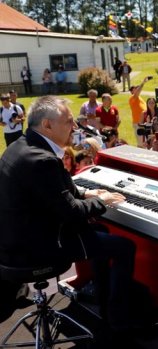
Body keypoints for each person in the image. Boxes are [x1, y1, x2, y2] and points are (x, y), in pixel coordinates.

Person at [0, 95, 137, 331]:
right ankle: (118, 321)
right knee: (125, 247)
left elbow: (52, 193)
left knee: (101, 230)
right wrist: (102, 200)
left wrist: (84, 194)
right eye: (69, 122)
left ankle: (102, 301)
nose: (74, 127)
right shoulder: (41, 160)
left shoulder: (19, 147)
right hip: (37, 249)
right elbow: (71, 213)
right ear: (47, 125)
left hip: (14, 243)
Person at [129, 77, 150, 145]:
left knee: (146, 141)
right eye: (135, 88)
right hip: (138, 123)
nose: (137, 89)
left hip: (144, 122)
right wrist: (143, 82)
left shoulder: (139, 98)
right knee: (141, 143)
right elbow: (137, 92)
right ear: (132, 91)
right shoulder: (132, 98)